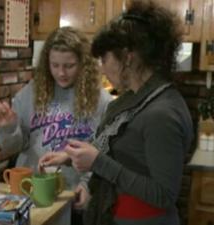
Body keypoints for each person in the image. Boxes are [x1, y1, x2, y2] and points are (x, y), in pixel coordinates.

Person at [38, 1, 193, 225]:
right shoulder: (135, 99)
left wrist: (98, 162)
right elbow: (116, 147)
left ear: (127, 57)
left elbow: (163, 195)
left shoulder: (162, 114)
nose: (101, 67)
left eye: (104, 59)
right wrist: (70, 157)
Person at [0, 27, 112, 213]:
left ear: (83, 64)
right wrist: (8, 129)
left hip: (75, 196)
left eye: (69, 66)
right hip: (33, 192)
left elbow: (104, 152)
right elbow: (13, 148)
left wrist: (88, 185)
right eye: (54, 65)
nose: (61, 73)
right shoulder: (30, 93)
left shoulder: (101, 100)